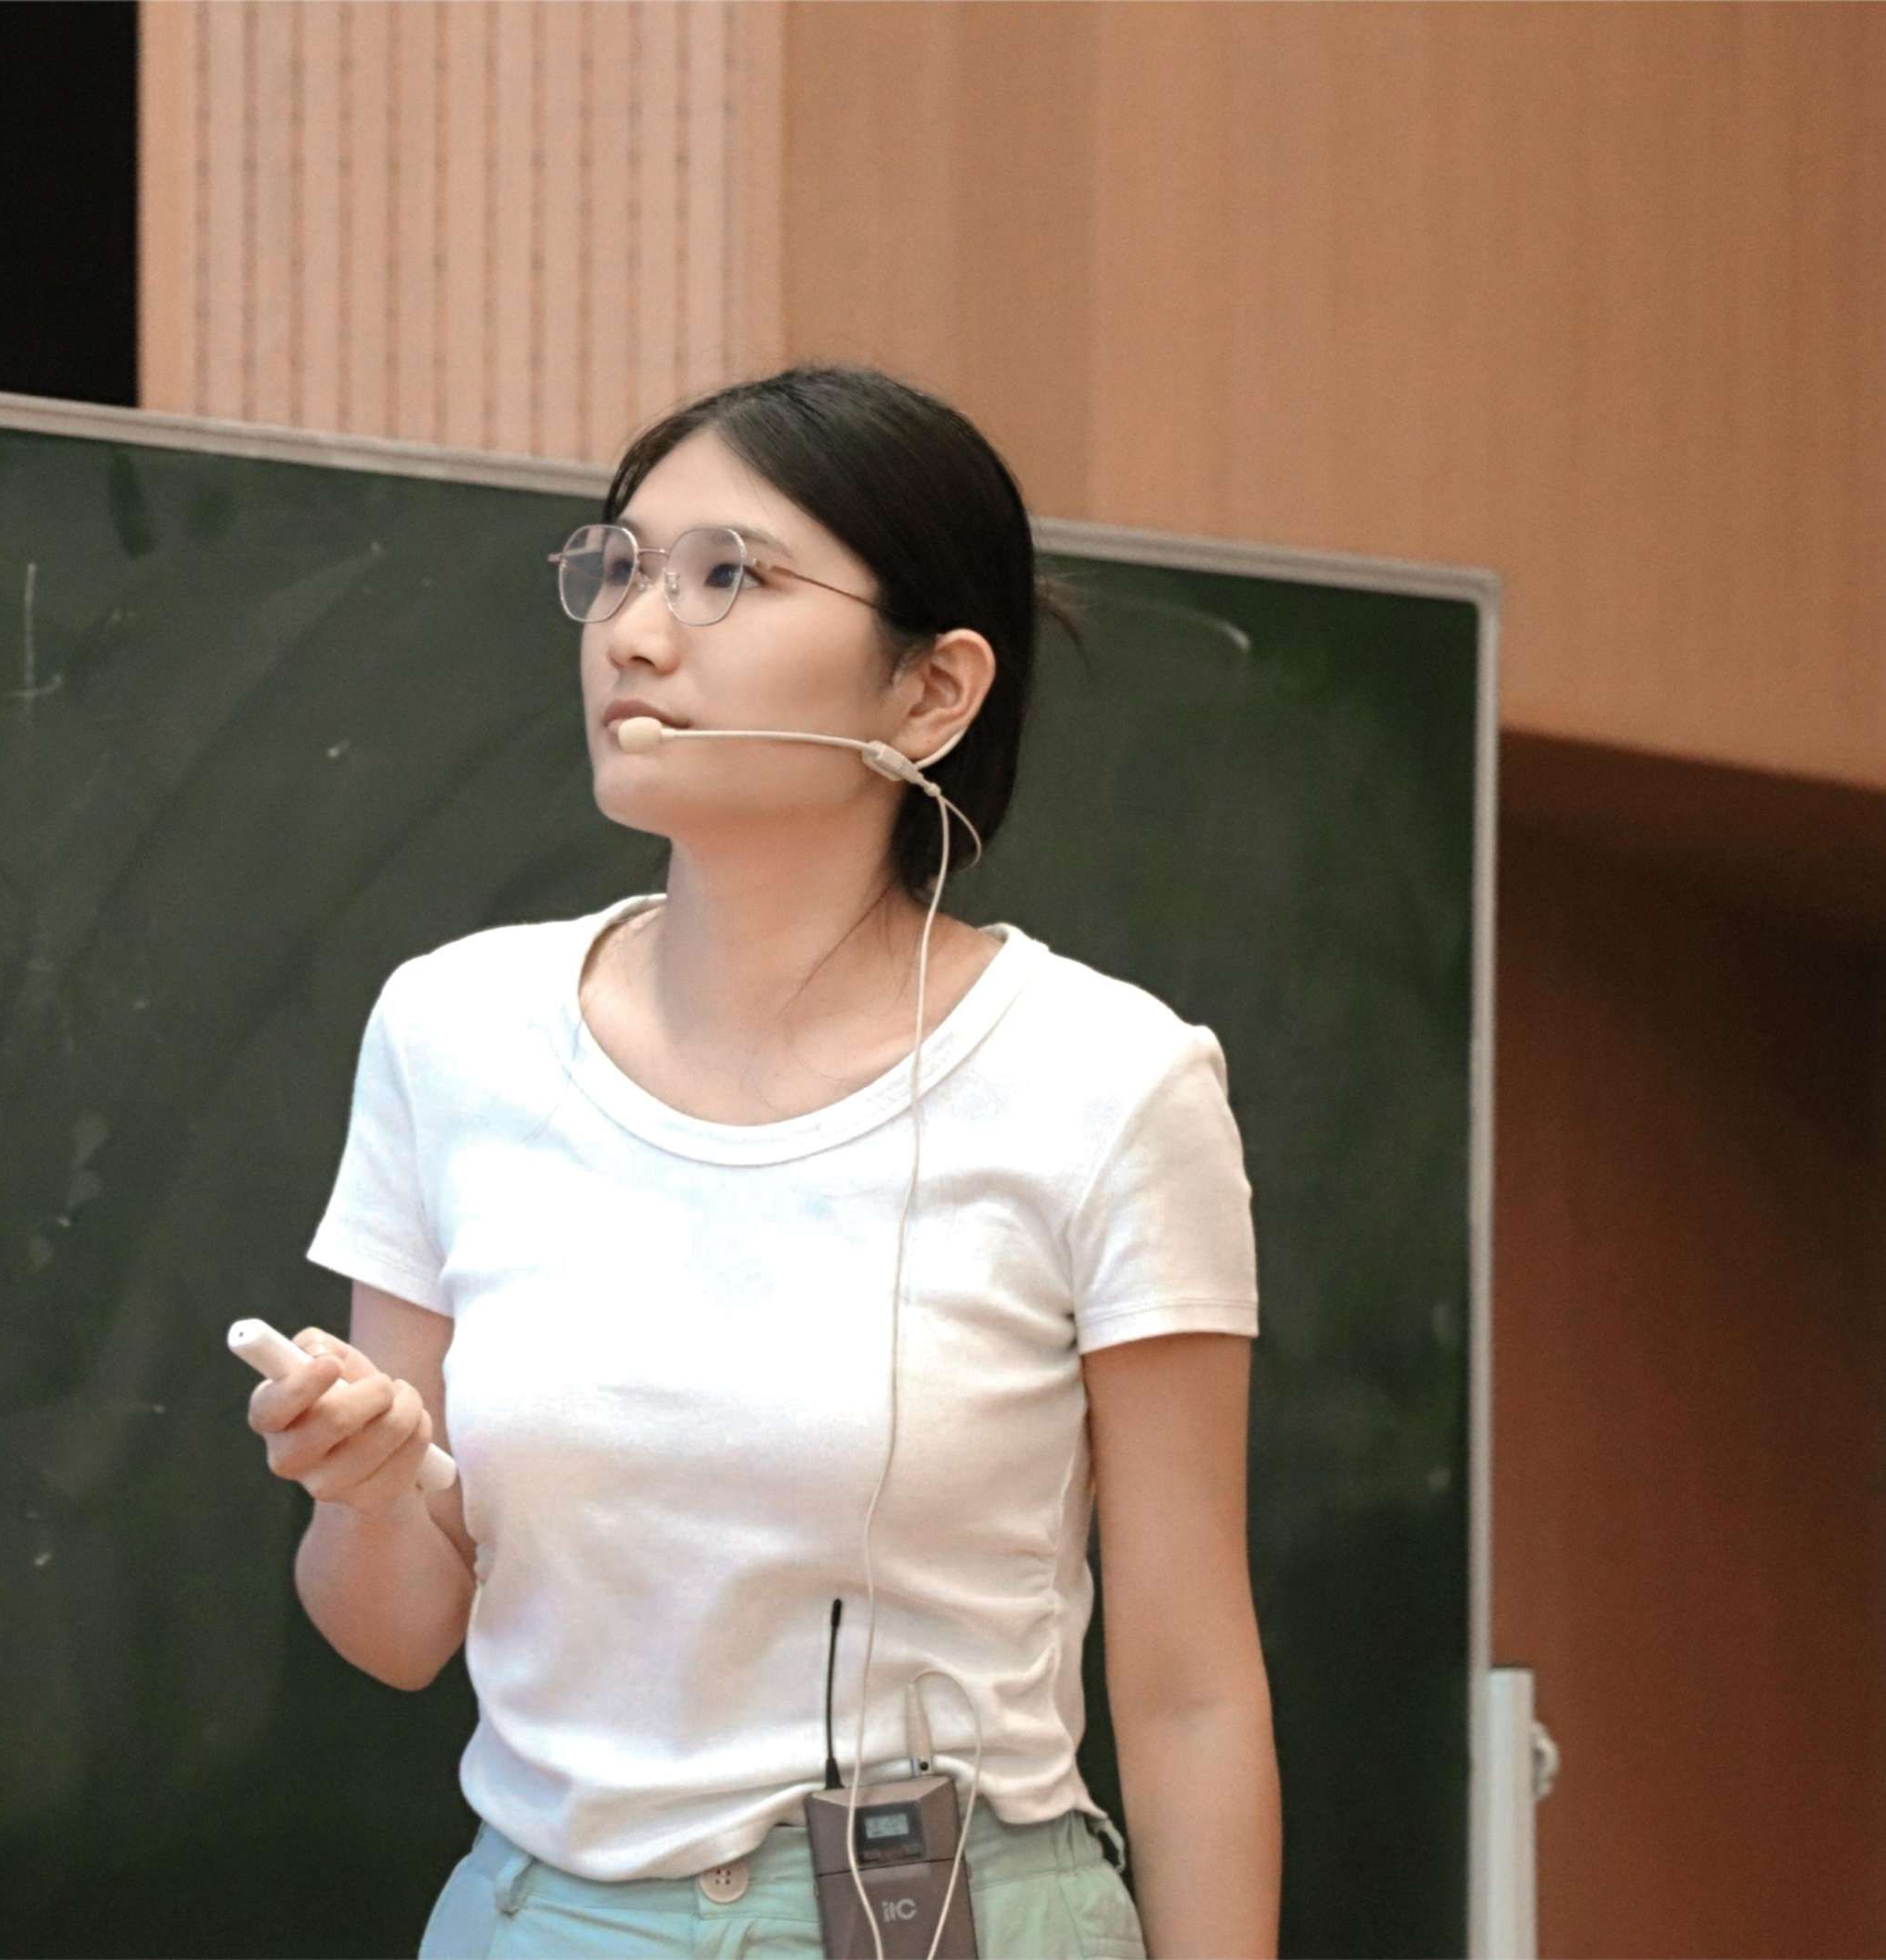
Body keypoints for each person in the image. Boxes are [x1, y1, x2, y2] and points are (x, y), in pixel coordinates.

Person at [245, 366, 1278, 1959]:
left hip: (957, 1914)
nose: (637, 633)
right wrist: (366, 1493)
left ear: (931, 692)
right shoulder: (454, 1031)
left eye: (730, 575)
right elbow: (396, 1636)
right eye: (619, 568)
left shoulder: (1110, 1080)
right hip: (546, 1918)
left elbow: (1191, 1684)